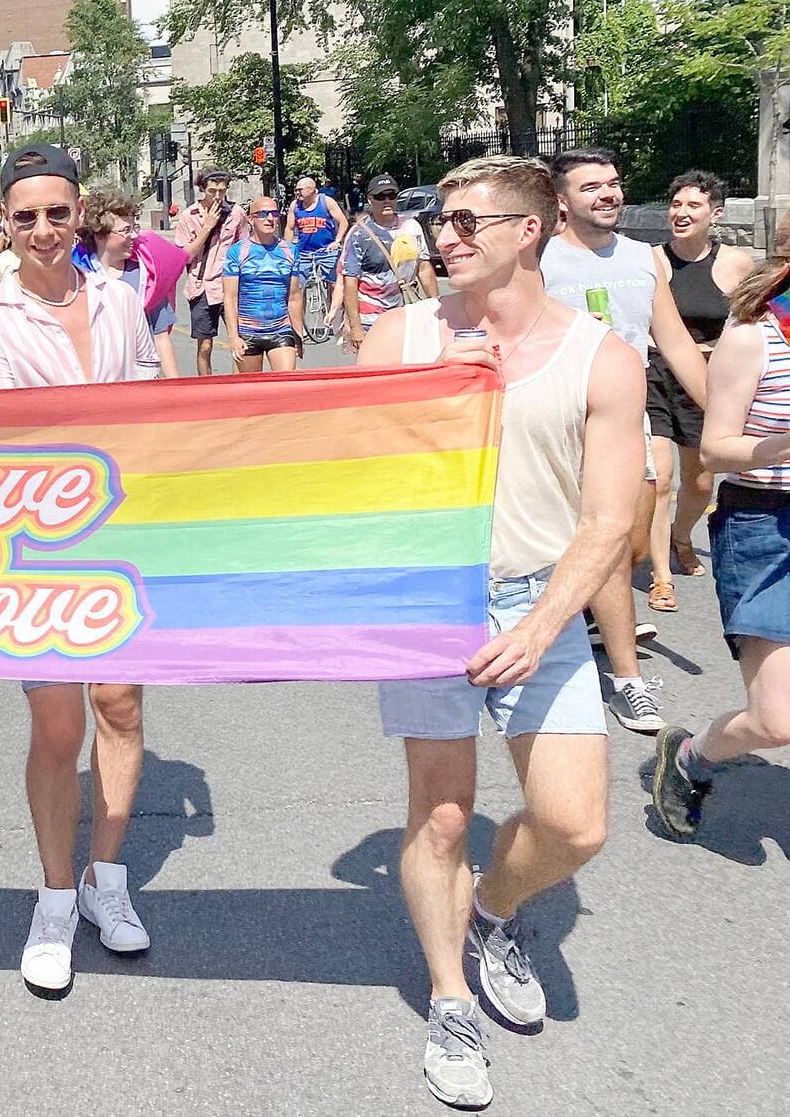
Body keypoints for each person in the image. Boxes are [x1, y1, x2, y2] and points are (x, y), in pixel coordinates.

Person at [360, 156, 640, 1112]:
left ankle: (494, 907)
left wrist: (543, 623)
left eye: (467, 222)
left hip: (539, 601)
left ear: (531, 230)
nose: (445, 237)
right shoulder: (398, 337)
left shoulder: (600, 356)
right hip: (428, 602)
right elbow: (342, 476)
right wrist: (438, 402)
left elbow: (608, 520)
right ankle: (449, 1004)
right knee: (442, 815)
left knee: (574, 824)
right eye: (440, 221)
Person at [0, 145, 159, 995]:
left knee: (119, 704)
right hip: (38, 543)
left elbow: (149, 399)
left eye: (56, 212)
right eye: (25, 216)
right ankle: (52, 898)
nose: (43, 229)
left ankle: (103, 879)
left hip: (124, 532)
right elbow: (8, 433)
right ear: (4, 224)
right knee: (56, 728)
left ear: (80, 214)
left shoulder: (121, 297)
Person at [542, 149, 707, 733]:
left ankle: (583, 611)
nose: (608, 194)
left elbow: (676, 343)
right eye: (591, 187)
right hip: (558, 425)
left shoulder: (644, 258)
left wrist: (724, 418)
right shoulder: (539, 260)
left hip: (626, 421)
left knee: (632, 546)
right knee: (605, 549)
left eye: (613, 184)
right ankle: (627, 679)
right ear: (562, 200)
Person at [650, 212, 790, 840]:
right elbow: (715, 450)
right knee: (777, 721)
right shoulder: (754, 336)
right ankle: (689, 759)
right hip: (765, 526)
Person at [646, 171, 754, 610]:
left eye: (693, 205)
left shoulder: (737, 264)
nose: (682, 212)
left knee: (700, 481)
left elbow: (761, 316)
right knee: (659, 479)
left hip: (707, 376)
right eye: (676, 204)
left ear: (716, 214)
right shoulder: (651, 260)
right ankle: (660, 575)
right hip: (654, 371)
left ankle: (681, 536)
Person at [84, 190, 180, 379]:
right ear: (100, 235)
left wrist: (175, 385)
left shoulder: (147, 274)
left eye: (134, 228)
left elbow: (160, 336)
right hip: (96, 378)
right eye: (125, 230)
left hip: (140, 377)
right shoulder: (80, 275)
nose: (134, 236)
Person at [342, 174, 438, 353]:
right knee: (375, 366)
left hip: (405, 314)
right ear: (370, 199)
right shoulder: (359, 234)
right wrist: (355, 327)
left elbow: (424, 269)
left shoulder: (411, 227)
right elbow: (350, 281)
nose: (387, 201)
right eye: (380, 196)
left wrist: (435, 305)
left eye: (391, 195)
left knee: (406, 363)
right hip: (371, 320)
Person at [219, 197, 306, 373]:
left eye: (274, 213)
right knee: (250, 387)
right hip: (248, 330)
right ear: (251, 219)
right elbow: (230, 297)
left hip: (281, 329)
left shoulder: (290, 251)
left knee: (286, 381)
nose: (270, 218)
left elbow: (294, 297)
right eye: (263, 214)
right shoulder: (238, 251)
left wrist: (298, 334)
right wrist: (234, 337)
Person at [174, 171, 248, 376]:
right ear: (202, 189)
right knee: (205, 345)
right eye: (212, 191)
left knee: (239, 342)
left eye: (222, 191)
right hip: (202, 287)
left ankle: (237, 385)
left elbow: (244, 248)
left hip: (230, 285)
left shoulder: (236, 213)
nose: (217, 196)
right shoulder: (189, 216)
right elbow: (185, 256)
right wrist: (207, 227)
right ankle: (205, 385)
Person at [290, 174, 349, 326]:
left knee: (335, 284)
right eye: (296, 190)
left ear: (311, 189)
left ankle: (335, 317)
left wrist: (337, 241)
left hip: (326, 250)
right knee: (297, 288)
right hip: (304, 253)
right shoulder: (295, 206)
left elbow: (343, 222)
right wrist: (287, 249)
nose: (297, 193)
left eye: (300, 190)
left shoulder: (326, 202)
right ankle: (299, 326)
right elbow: (289, 228)